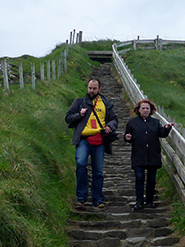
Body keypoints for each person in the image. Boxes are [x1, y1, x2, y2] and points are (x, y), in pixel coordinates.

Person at [65, 77, 118, 208]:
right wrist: (79, 115)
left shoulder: (106, 104)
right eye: (90, 88)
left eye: (94, 88)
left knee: (98, 171)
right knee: (81, 163)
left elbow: (114, 119)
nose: (91, 90)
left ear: (99, 89)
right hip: (83, 139)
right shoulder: (79, 102)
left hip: (99, 140)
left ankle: (98, 199)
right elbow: (68, 118)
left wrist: (110, 126)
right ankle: (81, 197)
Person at [123, 98, 173, 210]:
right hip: (138, 155)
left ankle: (149, 201)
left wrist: (167, 128)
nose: (145, 110)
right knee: (139, 178)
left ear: (151, 110)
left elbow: (161, 134)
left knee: (151, 180)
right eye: (143, 108)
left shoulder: (155, 123)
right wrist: (127, 138)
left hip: (152, 155)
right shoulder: (132, 123)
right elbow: (127, 136)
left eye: (147, 108)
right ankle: (139, 201)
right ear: (138, 110)